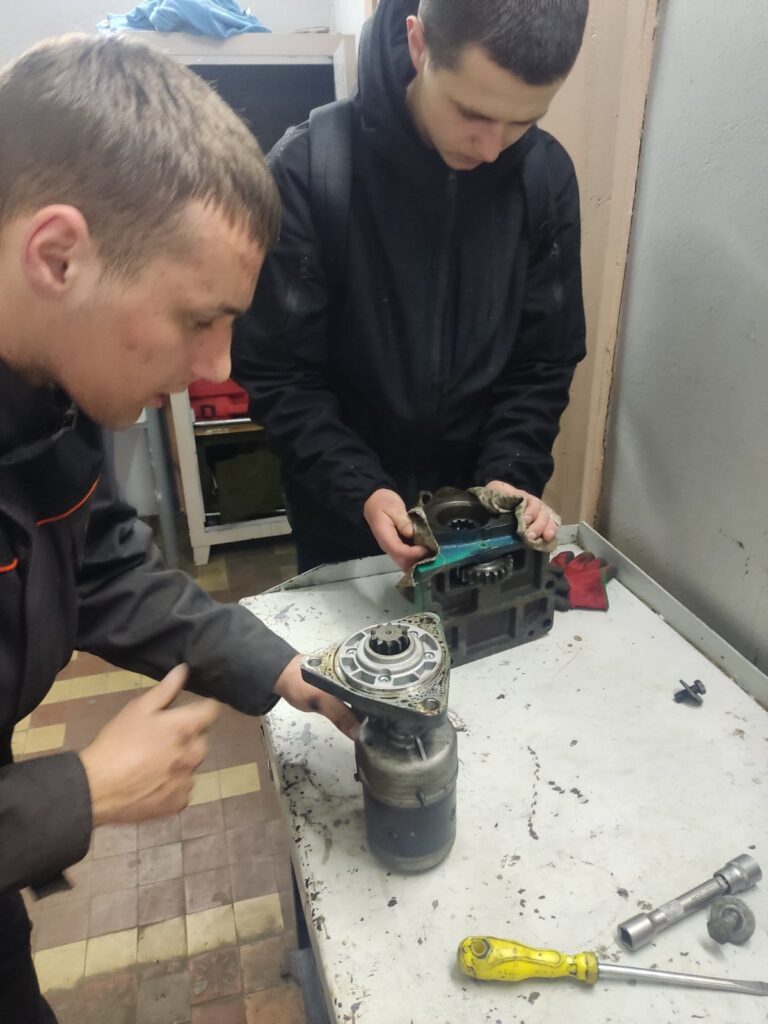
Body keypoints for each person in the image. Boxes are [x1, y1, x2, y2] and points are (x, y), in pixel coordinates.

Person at [0, 34, 358, 1021]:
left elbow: (101, 562)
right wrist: (82, 791)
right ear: (58, 255)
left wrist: (283, 669)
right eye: (199, 318)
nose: (218, 368)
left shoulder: (49, 384)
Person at [232, 0, 589, 573]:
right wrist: (360, 487)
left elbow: (544, 361)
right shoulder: (308, 169)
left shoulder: (544, 177)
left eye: (523, 121)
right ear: (418, 44)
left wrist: (511, 473)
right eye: (471, 112)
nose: (492, 148)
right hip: (344, 514)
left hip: (484, 518)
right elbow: (278, 373)